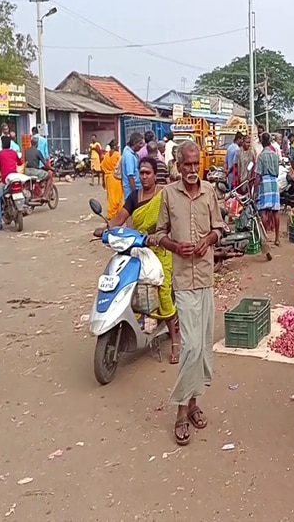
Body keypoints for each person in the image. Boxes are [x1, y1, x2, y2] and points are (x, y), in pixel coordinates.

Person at [155, 141, 224, 446]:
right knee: (191, 346)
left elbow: (219, 229)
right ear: (178, 166)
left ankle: (194, 403)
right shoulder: (168, 194)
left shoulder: (210, 192)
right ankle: (181, 412)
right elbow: (158, 234)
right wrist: (174, 246)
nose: (192, 170)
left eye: (196, 165)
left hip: (206, 277)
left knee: (204, 347)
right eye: (187, 165)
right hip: (183, 279)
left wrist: (208, 241)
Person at [95, 157, 181, 364]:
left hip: (161, 248)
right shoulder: (134, 196)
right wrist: (106, 229)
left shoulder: (164, 194)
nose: (144, 177)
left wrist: (162, 237)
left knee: (162, 288)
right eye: (141, 173)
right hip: (138, 246)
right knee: (123, 280)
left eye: (147, 173)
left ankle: (175, 340)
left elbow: (173, 220)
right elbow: (120, 218)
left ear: (154, 175)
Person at [255, 132, 281, 246]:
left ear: (262, 142)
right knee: (275, 211)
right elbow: (278, 172)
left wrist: (255, 190)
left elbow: (258, 175)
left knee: (263, 211)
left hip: (264, 183)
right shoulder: (275, 155)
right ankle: (277, 238)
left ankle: (265, 238)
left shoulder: (260, 156)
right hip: (274, 182)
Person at [0, 136, 19, 230]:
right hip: (15, 178)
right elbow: (20, 162)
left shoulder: (0, 154)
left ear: (2, 145)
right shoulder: (14, 153)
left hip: (5, 180)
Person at [101, 139, 124, 220]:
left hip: (108, 178)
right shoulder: (117, 155)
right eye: (117, 145)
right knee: (117, 198)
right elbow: (121, 167)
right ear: (114, 146)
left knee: (110, 197)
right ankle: (114, 215)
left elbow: (102, 168)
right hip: (115, 178)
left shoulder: (106, 155)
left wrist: (103, 181)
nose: (118, 146)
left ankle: (112, 214)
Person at [122, 132, 145, 198]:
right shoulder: (129, 156)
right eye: (140, 143)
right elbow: (130, 177)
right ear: (134, 143)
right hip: (131, 191)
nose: (141, 146)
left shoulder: (128, 151)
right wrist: (135, 194)